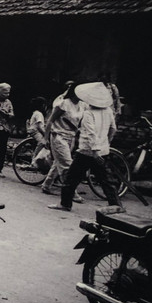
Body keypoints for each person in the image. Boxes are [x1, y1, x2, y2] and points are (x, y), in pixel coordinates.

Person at [49, 83, 122, 212]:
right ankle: (116, 205)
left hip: (87, 151)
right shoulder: (109, 111)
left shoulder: (89, 113)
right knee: (106, 180)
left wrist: (94, 151)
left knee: (71, 178)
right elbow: (113, 129)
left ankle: (65, 204)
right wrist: (106, 144)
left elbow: (90, 133)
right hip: (103, 150)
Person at [41, 82, 85, 198]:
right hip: (58, 136)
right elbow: (50, 121)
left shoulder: (82, 105)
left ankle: (46, 185)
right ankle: (71, 193)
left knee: (58, 162)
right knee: (67, 165)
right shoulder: (63, 104)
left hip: (71, 137)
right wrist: (45, 138)